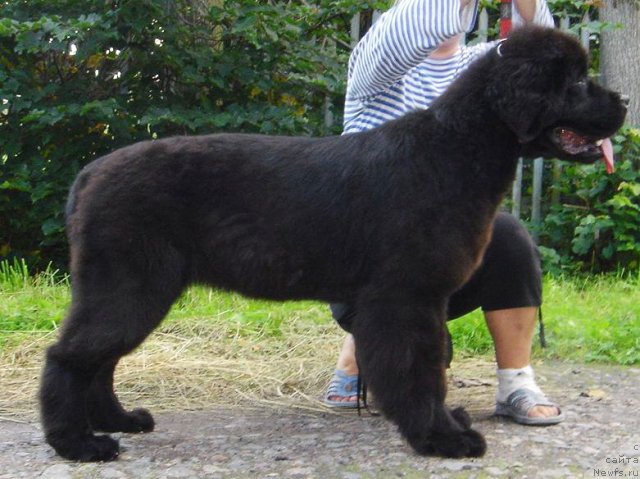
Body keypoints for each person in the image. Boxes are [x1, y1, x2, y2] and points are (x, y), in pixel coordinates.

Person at [324, 0, 565, 425]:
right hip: (367, 267)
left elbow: (540, 53)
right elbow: (417, 26)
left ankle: (516, 382)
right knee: (420, 352)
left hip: (443, 255)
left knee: (506, 235)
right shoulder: (375, 62)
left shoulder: (480, 67)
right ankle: (359, 351)